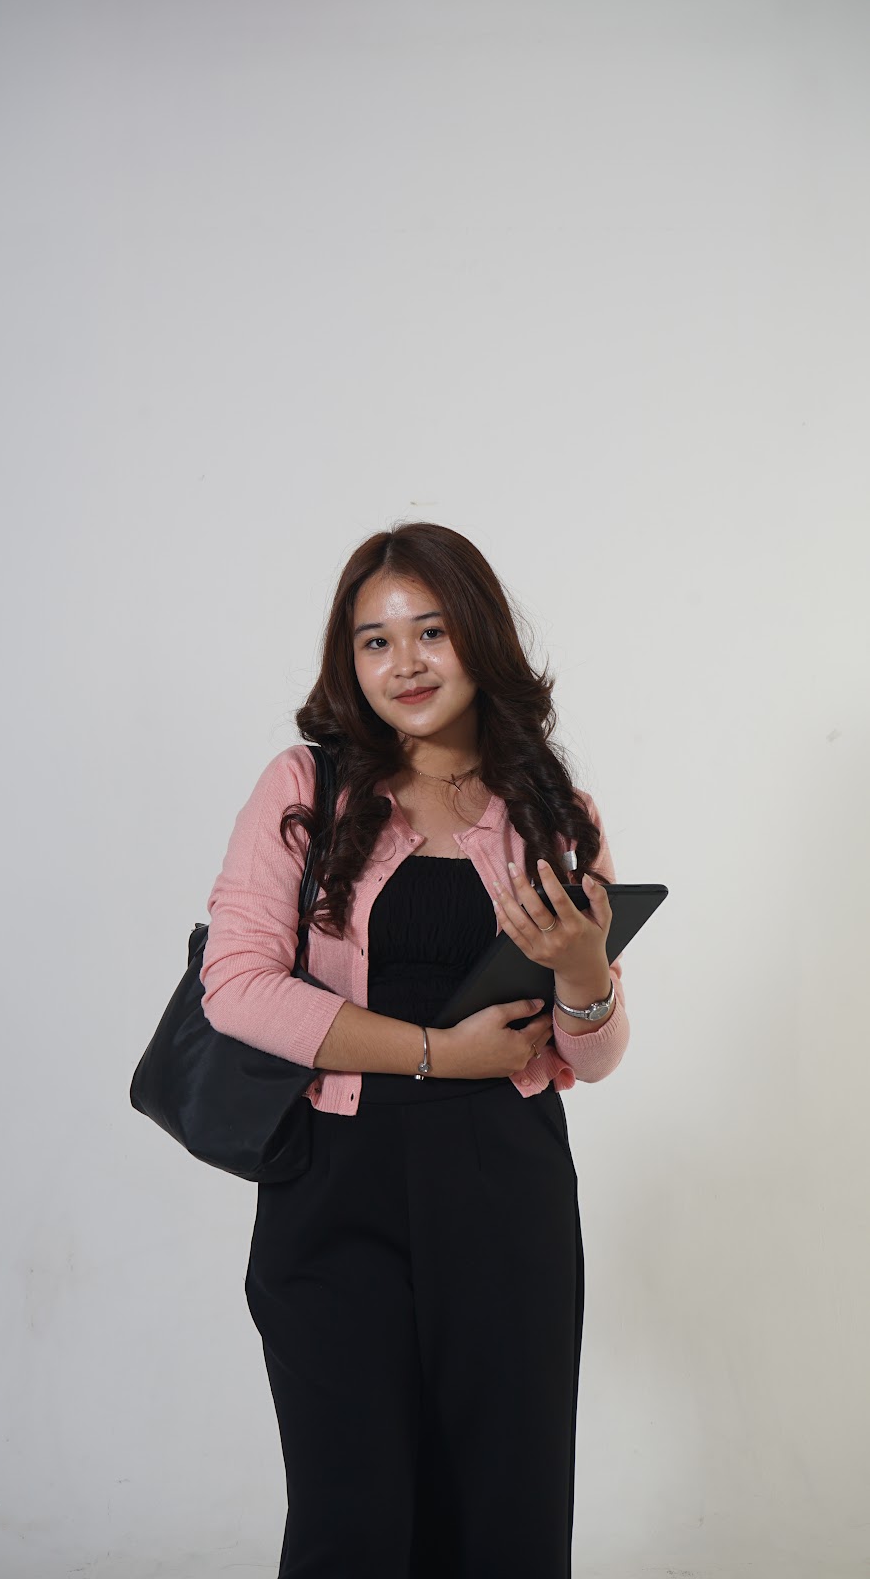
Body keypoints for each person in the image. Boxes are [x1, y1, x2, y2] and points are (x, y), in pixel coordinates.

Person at [200, 521, 630, 1578]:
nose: (405, 663)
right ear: (349, 661)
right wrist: (440, 1051)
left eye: (431, 631)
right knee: (351, 1521)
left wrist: (586, 974)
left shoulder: (555, 811)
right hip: (333, 1186)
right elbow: (236, 984)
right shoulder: (305, 788)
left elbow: (595, 1056)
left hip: (507, 1190)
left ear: (479, 636)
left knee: (508, 1514)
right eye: (375, 641)